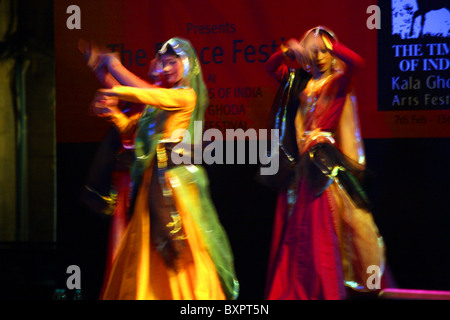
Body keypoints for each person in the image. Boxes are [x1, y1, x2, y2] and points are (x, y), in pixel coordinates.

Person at [90, 37, 239, 300]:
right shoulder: (159, 105)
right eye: (164, 63)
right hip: (152, 181)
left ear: (187, 64)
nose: (167, 68)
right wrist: (113, 112)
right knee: (146, 241)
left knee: (177, 239)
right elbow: (131, 132)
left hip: (174, 182)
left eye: (173, 62)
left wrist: (114, 86)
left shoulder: (184, 96)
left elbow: (149, 94)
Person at [261, 26, 385, 300]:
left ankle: (327, 288)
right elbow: (271, 67)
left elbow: (357, 62)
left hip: (326, 163)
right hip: (304, 165)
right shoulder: (300, 82)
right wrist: (287, 50)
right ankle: (300, 289)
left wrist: (328, 42)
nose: (319, 57)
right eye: (313, 51)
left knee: (325, 230)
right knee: (298, 232)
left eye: (324, 52)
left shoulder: (339, 83)